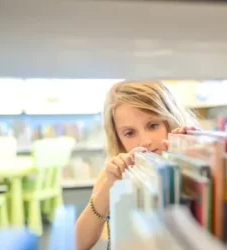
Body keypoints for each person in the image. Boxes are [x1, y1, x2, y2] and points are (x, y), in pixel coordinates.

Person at [75, 81, 200, 250]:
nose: (145, 141)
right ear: (118, 138)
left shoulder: (188, 160)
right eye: (129, 133)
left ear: (170, 120)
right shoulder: (114, 173)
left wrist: (189, 157)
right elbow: (79, 244)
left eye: (153, 125)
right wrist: (108, 187)